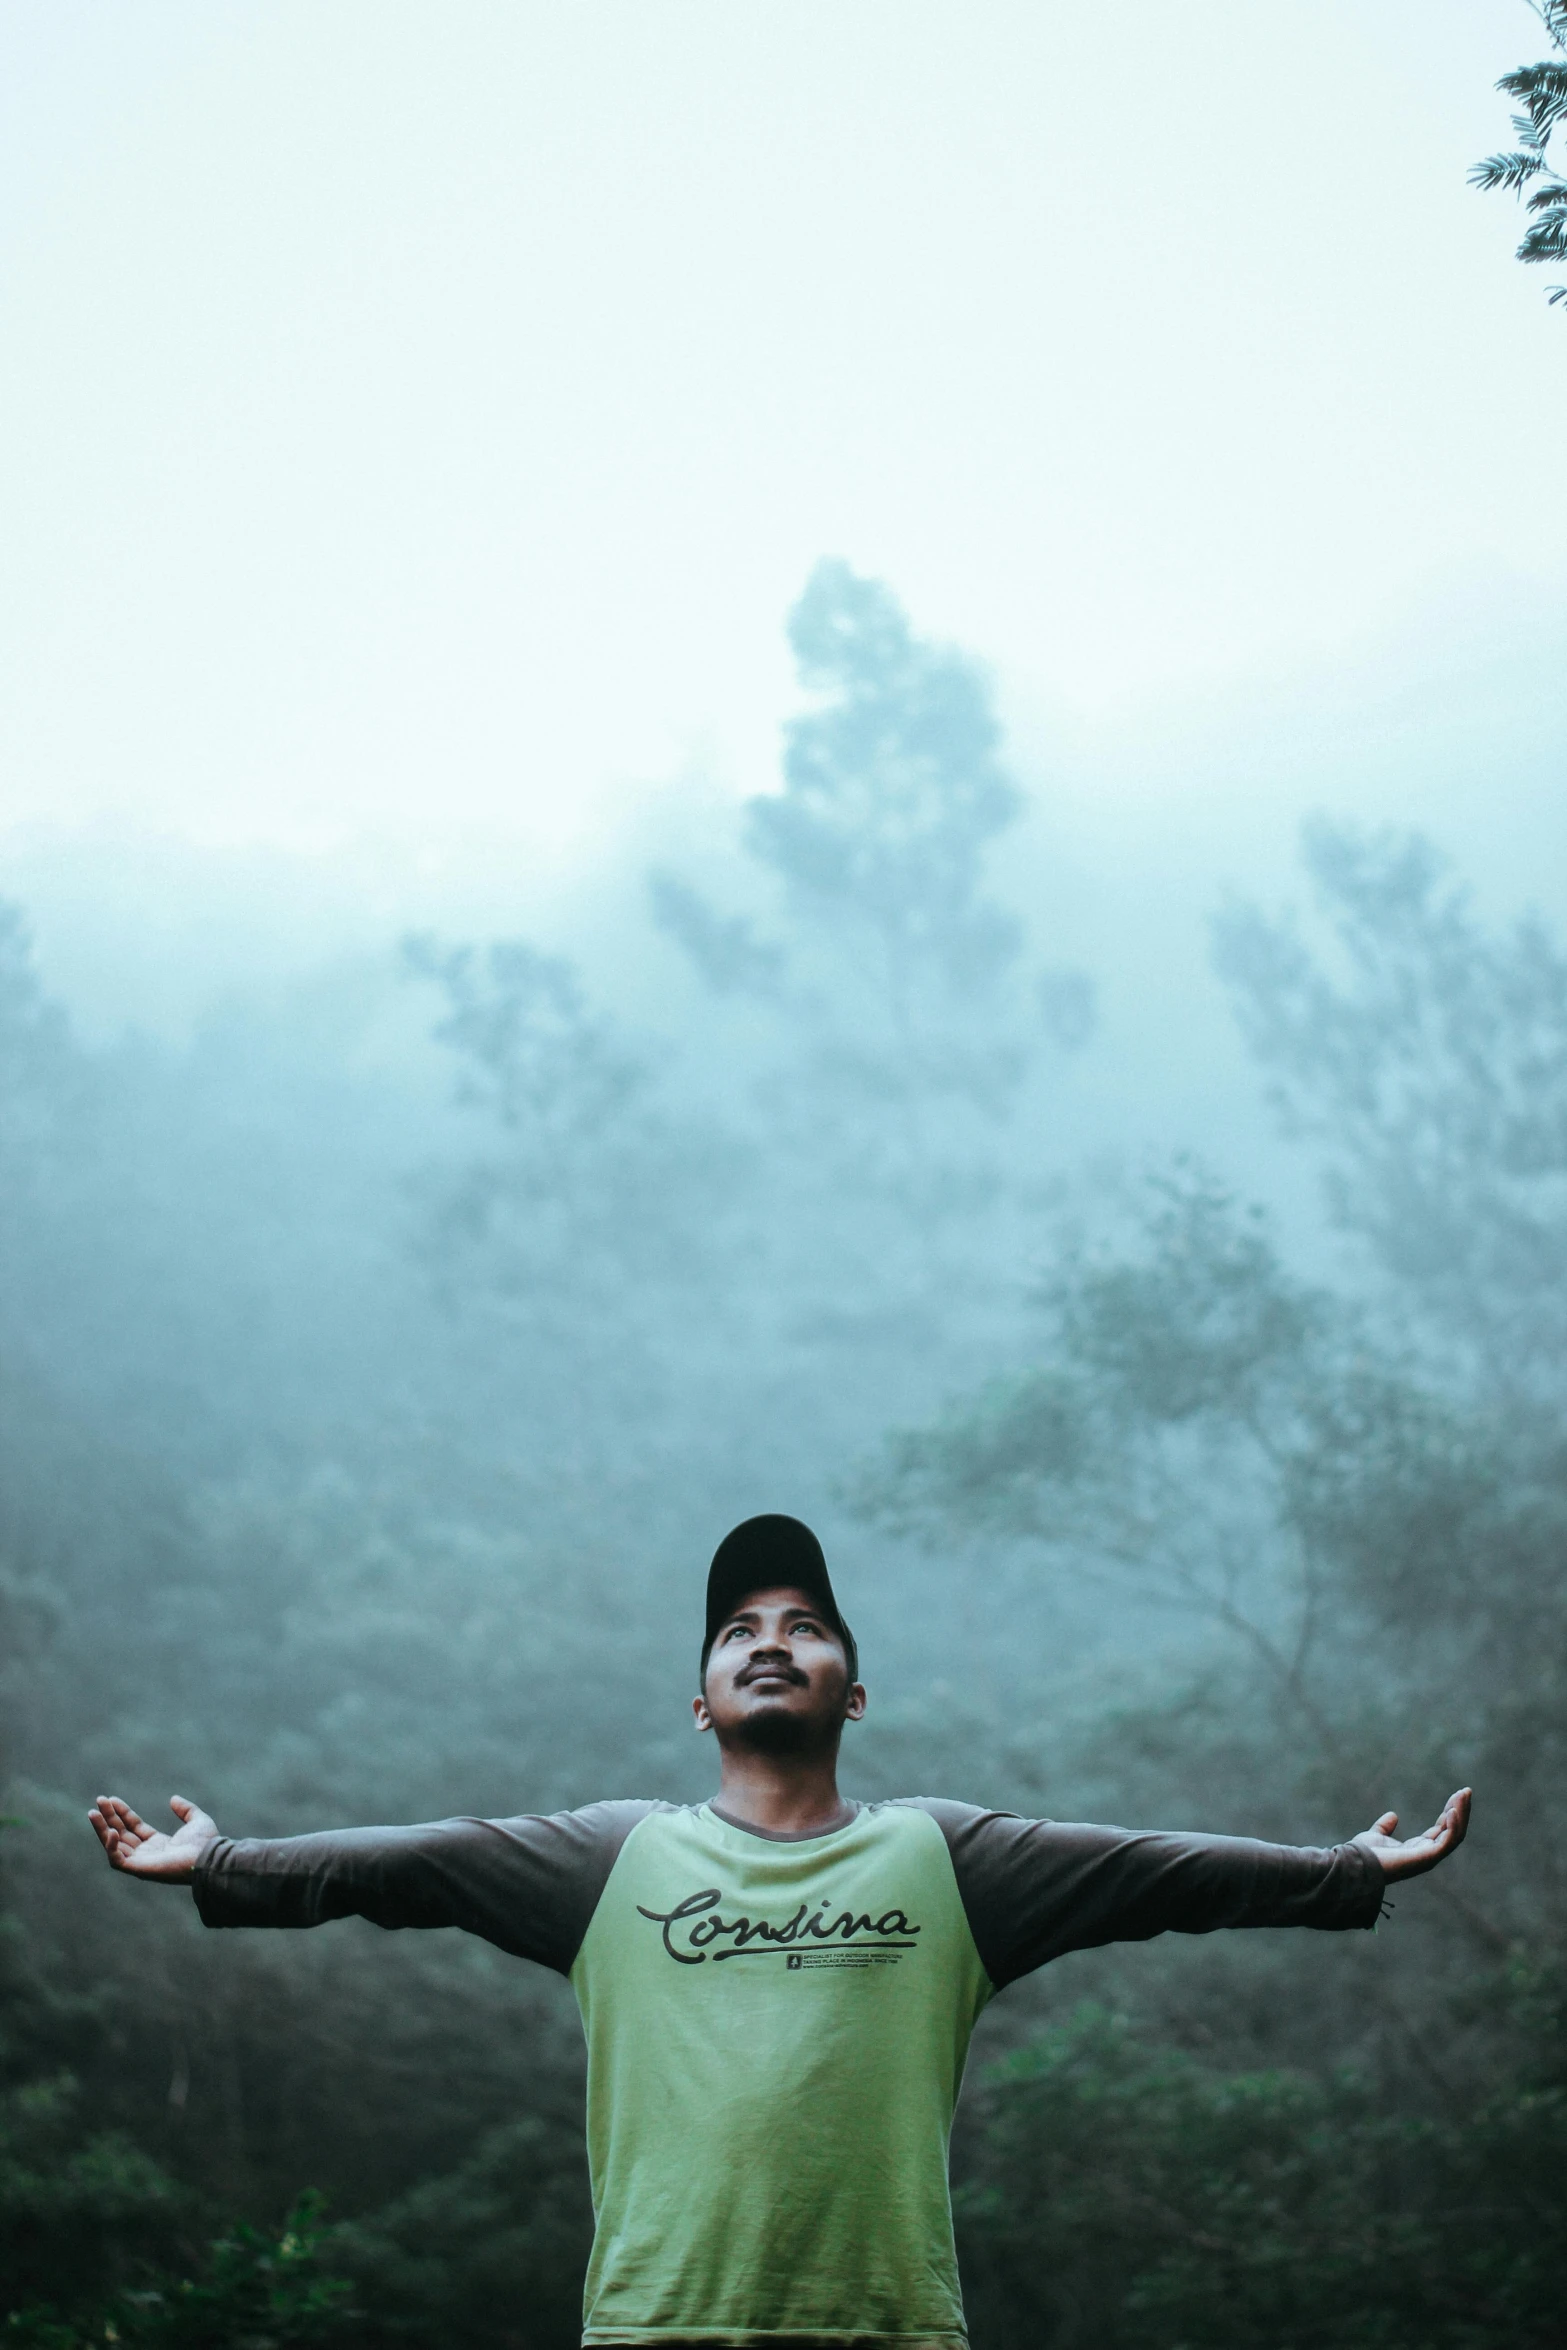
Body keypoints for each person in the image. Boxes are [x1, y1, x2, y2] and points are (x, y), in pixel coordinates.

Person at [90, 1512, 1471, 2350]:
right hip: (654, 2322)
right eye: (738, 1628)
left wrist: (1342, 1870)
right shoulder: (611, 1857)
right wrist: (230, 1862)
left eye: (805, 1625)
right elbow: (422, 1861)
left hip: (888, 2325)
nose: (770, 1638)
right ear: (698, 1698)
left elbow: (1155, 1871)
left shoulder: (948, 1856)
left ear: (849, 1691)